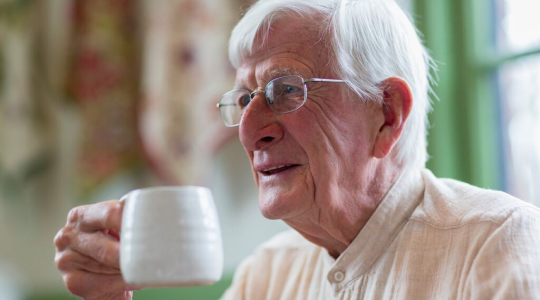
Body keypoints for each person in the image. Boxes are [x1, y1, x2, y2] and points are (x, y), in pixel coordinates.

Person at [54, 0, 540, 299]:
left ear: (387, 113)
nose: (249, 131)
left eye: (286, 90)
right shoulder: (266, 277)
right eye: (245, 98)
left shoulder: (498, 246)